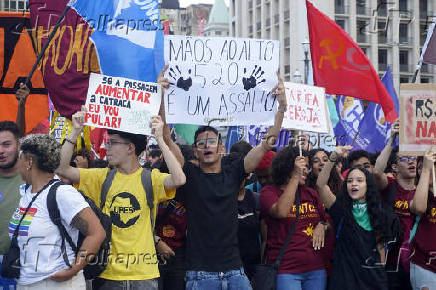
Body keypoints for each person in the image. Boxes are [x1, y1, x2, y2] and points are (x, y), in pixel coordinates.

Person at [158, 67, 287, 289]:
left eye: (211, 141)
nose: (206, 145)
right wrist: (161, 95)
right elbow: (167, 138)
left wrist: (281, 108)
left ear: (221, 148)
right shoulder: (188, 174)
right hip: (200, 276)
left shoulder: (235, 171)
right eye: (200, 143)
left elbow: (268, 142)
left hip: (235, 274)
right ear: (196, 152)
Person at [56, 108, 186, 290]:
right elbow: (62, 169)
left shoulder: (151, 178)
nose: (105, 147)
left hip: (144, 275)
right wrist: (75, 131)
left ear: (130, 148)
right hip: (108, 274)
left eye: (112, 143)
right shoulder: (100, 177)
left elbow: (179, 179)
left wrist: (161, 140)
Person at [8, 134, 105, 289]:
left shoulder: (62, 194)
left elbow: (96, 233)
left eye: (20, 157)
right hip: (27, 283)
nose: (17, 163)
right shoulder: (27, 193)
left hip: (58, 284)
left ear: (29, 162)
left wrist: (74, 269)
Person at [317, 145, 400, 290]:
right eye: (350, 181)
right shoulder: (340, 209)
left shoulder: (379, 214)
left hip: (372, 281)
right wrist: (333, 157)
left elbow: (381, 254)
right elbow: (320, 184)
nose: (354, 184)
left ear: (368, 185)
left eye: (359, 180)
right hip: (344, 281)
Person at [260, 146, 329, 290]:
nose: (306, 171)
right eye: (301, 167)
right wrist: (295, 177)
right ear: (287, 167)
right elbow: (281, 212)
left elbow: (326, 221)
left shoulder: (310, 193)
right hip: (286, 270)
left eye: (307, 167)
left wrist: (322, 225)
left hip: (315, 269)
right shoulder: (268, 192)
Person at [374, 120, 415, 290]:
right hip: (391, 261)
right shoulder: (389, 186)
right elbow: (376, 172)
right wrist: (392, 139)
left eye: (413, 158)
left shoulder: (423, 191)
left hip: (416, 261)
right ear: (395, 167)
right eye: (405, 159)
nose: (411, 162)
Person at [0, 83, 30, 290]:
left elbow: (22, 135)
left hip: (21, 265)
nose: (0, 151)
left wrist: (21, 106)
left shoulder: (30, 177)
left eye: (6, 145)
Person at [409, 148, 436, 290]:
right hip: (425, 267)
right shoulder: (414, 194)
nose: (430, 166)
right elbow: (418, 208)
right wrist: (426, 168)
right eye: (420, 167)